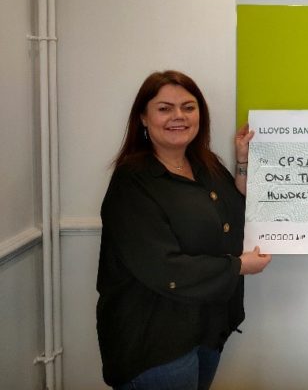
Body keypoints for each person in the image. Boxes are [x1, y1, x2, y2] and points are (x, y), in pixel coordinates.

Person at [96, 70, 271, 390]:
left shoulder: (206, 164)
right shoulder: (132, 182)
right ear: (144, 119)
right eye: (164, 108)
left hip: (206, 327)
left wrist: (243, 161)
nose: (178, 116)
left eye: (188, 107)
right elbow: (163, 267)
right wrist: (240, 266)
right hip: (156, 337)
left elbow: (235, 213)